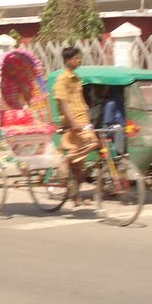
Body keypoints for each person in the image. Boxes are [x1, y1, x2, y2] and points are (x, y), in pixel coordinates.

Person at [52, 46, 98, 201]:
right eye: (76, 58)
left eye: (79, 57)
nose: (79, 60)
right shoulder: (62, 80)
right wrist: (73, 123)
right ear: (68, 60)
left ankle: (76, 196)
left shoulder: (77, 78)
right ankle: (66, 160)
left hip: (83, 119)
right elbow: (63, 103)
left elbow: (81, 101)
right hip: (74, 122)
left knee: (80, 165)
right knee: (93, 143)